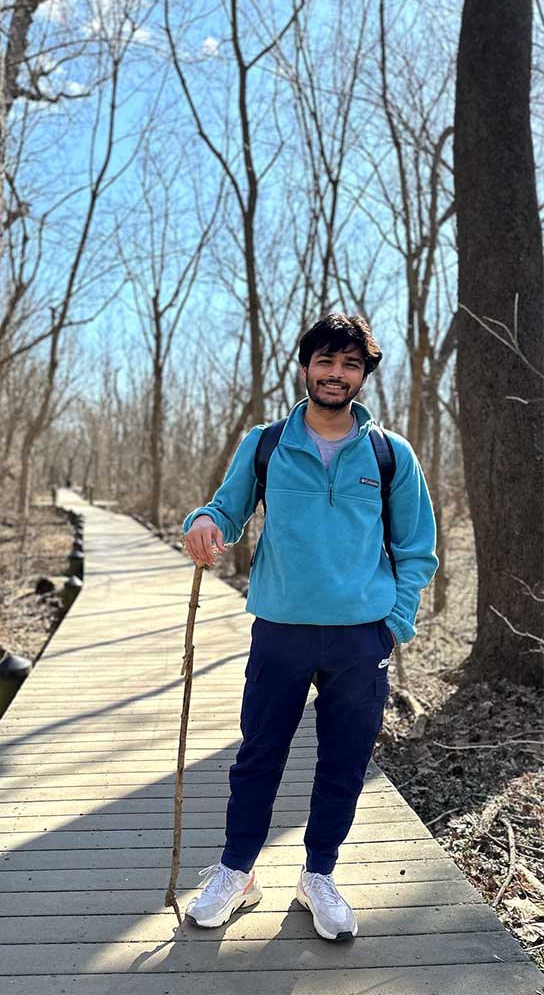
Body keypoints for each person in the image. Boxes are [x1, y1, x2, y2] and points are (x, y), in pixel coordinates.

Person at [181, 312, 437, 941]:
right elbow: (226, 509)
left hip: (360, 636)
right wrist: (202, 521)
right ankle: (237, 871)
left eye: (350, 364)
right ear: (305, 367)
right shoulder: (266, 443)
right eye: (326, 361)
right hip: (282, 628)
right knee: (259, 754)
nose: (336, 374)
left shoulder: (389, 453)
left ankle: (319, 875)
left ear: (363, 375)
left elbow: (417, 548)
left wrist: (393, 624)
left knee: (344, 762)